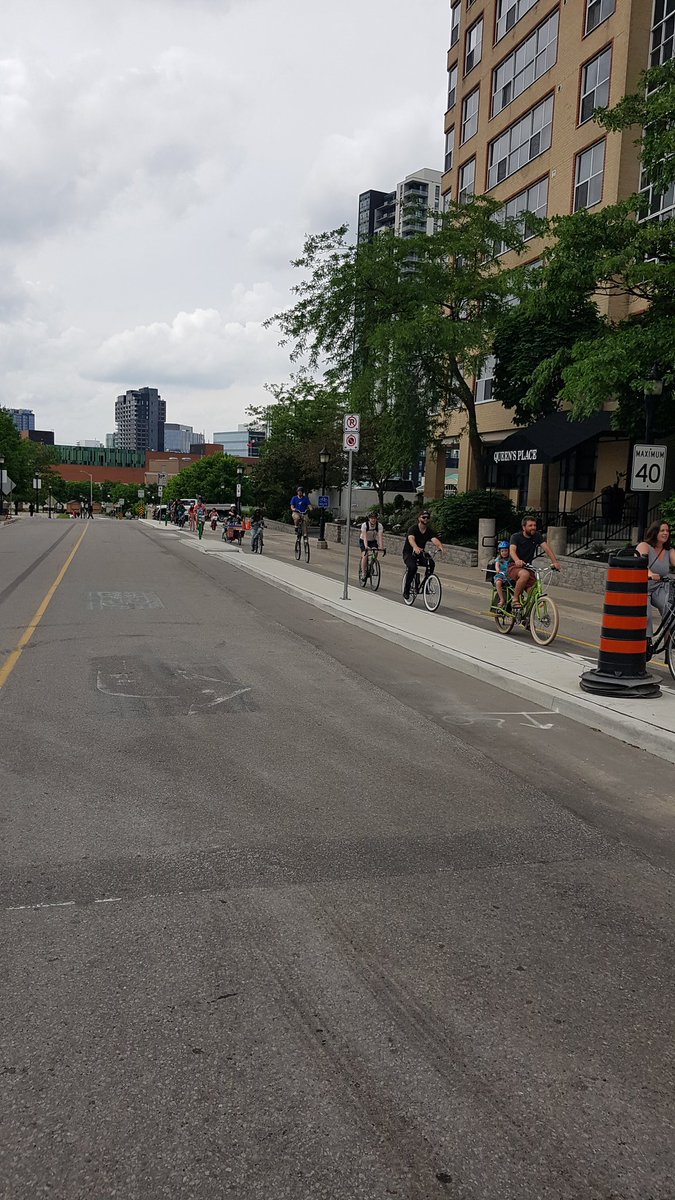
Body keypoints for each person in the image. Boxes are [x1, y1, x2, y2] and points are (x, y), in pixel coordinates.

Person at [636, 520, 675, 657]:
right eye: (662, 530)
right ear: (655, 532)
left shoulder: (669, 551)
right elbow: (641, 564)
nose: (665, 533)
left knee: (670, 609)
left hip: (660, 587)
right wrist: (650, 574)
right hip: (643, 587)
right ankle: (646, 642)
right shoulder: (644, 546)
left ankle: (669, 647)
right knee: (645, 615)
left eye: (667, 531)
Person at [509, 517, 560, 610]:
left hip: (528, 567)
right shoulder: (516, 537)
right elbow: (512, 550)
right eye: (530, 525)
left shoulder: (537, 536)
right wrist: (517, 560)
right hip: (514, 566)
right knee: (525, 574)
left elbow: (547, 549)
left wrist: (555, 562)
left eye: (534, 525)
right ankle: (515, 599)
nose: (533, 527)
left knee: (534, 590)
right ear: (524, 527)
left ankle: (528, 616)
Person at [402, 510, 444, 601]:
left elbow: (434, 539)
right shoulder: (413, 529)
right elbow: (411, 539)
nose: (425, 519)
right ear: (419, 518)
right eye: (423, 517)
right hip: (409, 553)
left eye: (427, 517)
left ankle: (426, 584)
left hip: (420, 553)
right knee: (412, 568)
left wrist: (440, 546)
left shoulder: (429, 531)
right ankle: (406, 589)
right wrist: (415, 547)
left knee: (431, 563)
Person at [360, 513, 386, 579]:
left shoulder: (379, 526)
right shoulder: (365, 525)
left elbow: (380, 537)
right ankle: (363, 573)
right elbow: (365, 537)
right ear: (369, 519)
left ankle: (371, 564)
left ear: (376, 519)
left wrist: (382, 547)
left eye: (374, 518)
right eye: (371, 518)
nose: (373, 520)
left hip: (372, 541)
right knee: (365, 555)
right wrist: (366, 546)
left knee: (376, 552)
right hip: (363, 540)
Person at [491, 540, 512, 610]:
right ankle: (502, 599)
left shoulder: (510, 559)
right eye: (502, 551)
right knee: (498, 582)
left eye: (506, 551)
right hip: (501, 575)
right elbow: (496, 565)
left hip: (509, 576)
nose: (504, 553)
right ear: (500, 552)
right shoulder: (499, 559)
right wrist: (497, 569)